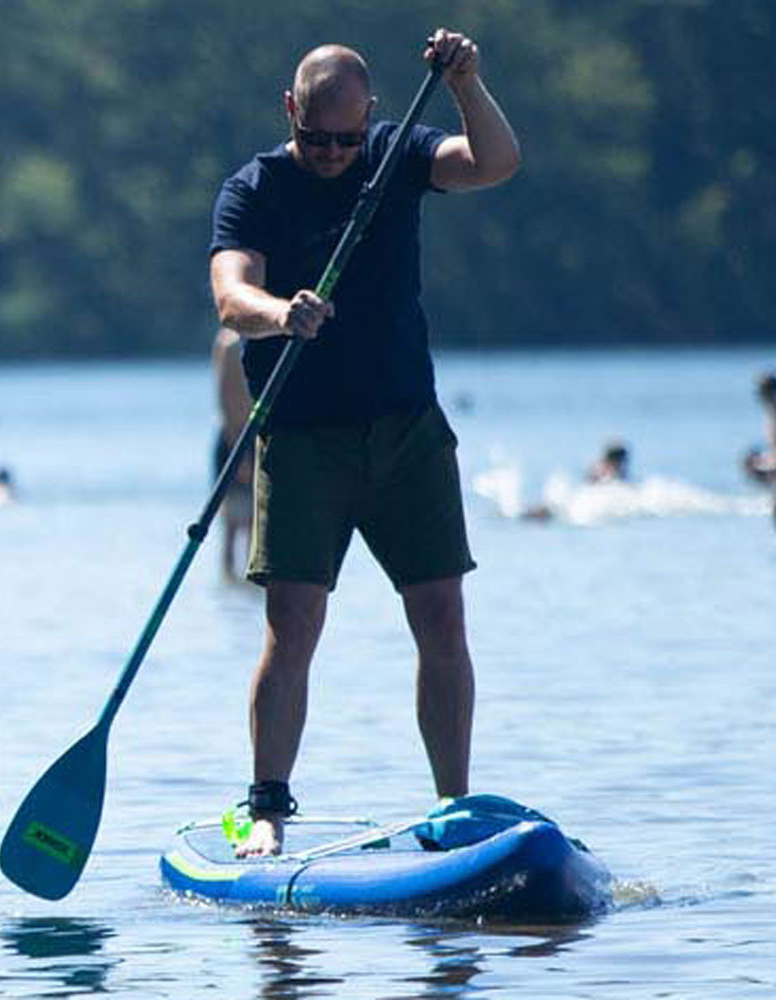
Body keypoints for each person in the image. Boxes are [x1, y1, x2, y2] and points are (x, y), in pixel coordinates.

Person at [209, 29, 520, 855]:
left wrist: (466, 85)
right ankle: (266, 806)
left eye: (349, 138)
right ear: (290, 112)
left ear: (370, 118)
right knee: (294, 624)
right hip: (304, 439)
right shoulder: (255, 188)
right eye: (318, 138)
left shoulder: (396, 153)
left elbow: (494, 163)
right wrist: (282, 313)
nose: (336, 153)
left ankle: (452, 804)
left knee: (442, 616)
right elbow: (230, 295)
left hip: (407, 431)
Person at [212, 327, 255, 579]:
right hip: (234, 440)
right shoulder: (230, 342)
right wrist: (239, 454)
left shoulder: (261, 336)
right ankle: (229, 577)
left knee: (255, 524)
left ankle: (248, 587)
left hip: (253, 435)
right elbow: (224, 399)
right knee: (232, 523)